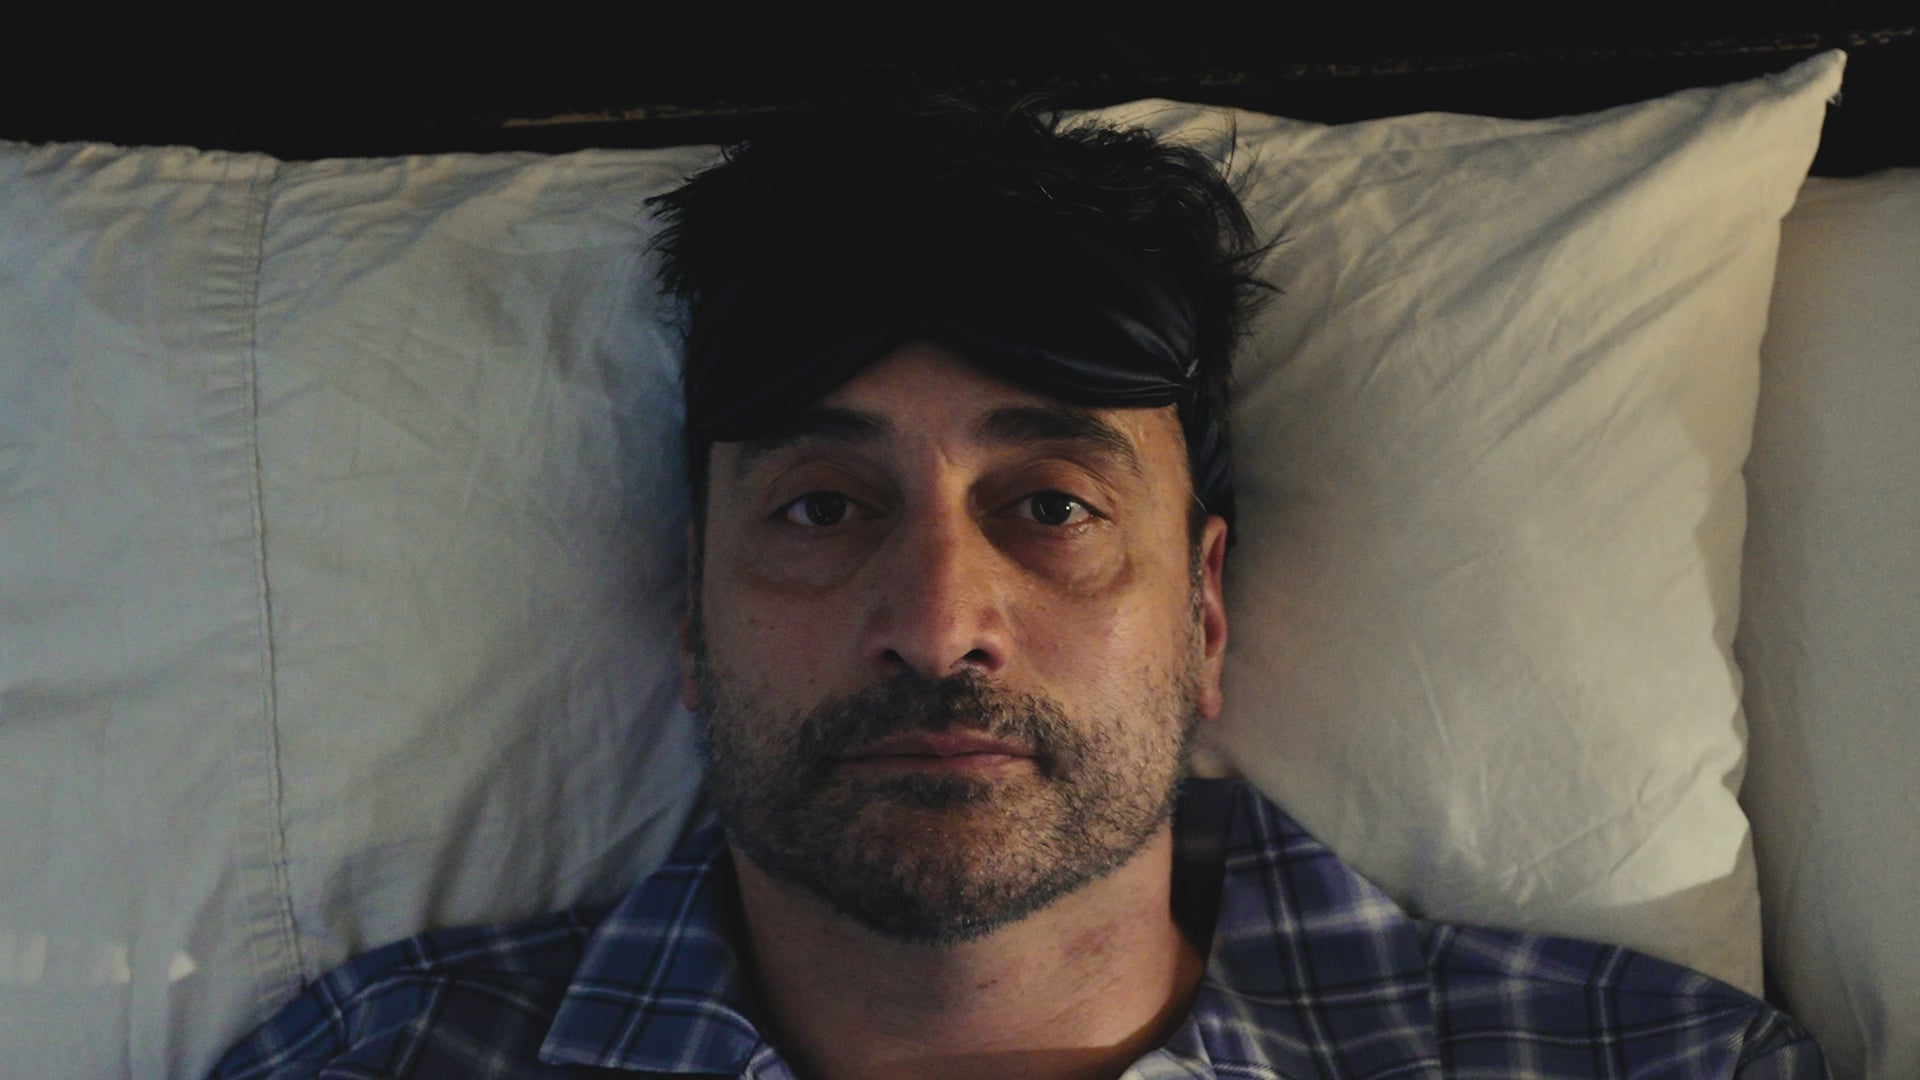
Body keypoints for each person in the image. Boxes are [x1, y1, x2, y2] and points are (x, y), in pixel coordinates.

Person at [210, 91, 1824, 1080]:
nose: (936, 624)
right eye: (823, 507)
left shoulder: (1646, 1065)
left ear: (1202, 616)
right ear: (690, 620)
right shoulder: (380, 1063)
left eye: (1051, 507)